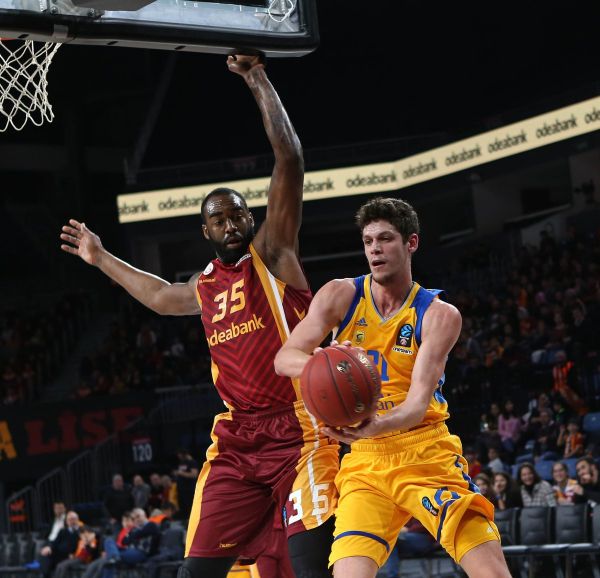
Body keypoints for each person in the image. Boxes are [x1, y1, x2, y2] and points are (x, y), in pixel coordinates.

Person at [60, 53, 339, 578]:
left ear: (251, 218)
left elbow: (291, 159)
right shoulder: (204, 285)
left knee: (310, 568)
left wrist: (256, 77)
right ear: (205, 231)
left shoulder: (274, 253)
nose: (230, 224)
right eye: (218, 219)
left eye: (237, 214)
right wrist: (100, 257)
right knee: (196, 572)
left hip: (300, 430)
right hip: (239, 437)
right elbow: (160, 295)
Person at [274, 196, 510, 577]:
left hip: (424, 451)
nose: (375, 249)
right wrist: (327, 367)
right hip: (364, 461)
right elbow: (284, 358)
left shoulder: (438, 315)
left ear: (411, 243)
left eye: (385, 239)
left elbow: (416, 405)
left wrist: (375, 424)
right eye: (368, 241)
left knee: (492, 573)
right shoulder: (341, 295)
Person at [172, 448, 199, 521]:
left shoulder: (192, 462)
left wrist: (180, 473)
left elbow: (194, 475)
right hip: (181, 489)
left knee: (190, 506)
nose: (178, 456)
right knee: (183, 507)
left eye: (179, 454)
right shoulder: (182, 462)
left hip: (189, 489)